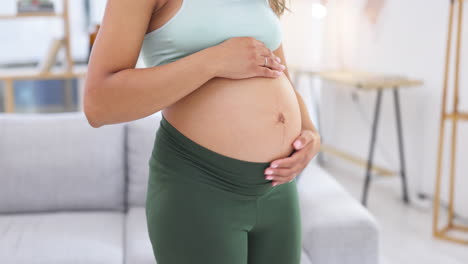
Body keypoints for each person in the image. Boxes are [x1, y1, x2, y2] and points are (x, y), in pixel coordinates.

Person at [83, 0, 321, 263]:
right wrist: (214, 61)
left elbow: (277, 71)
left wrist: (309, 131)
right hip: (199, 185)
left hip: (279, 188)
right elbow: (99, 104)